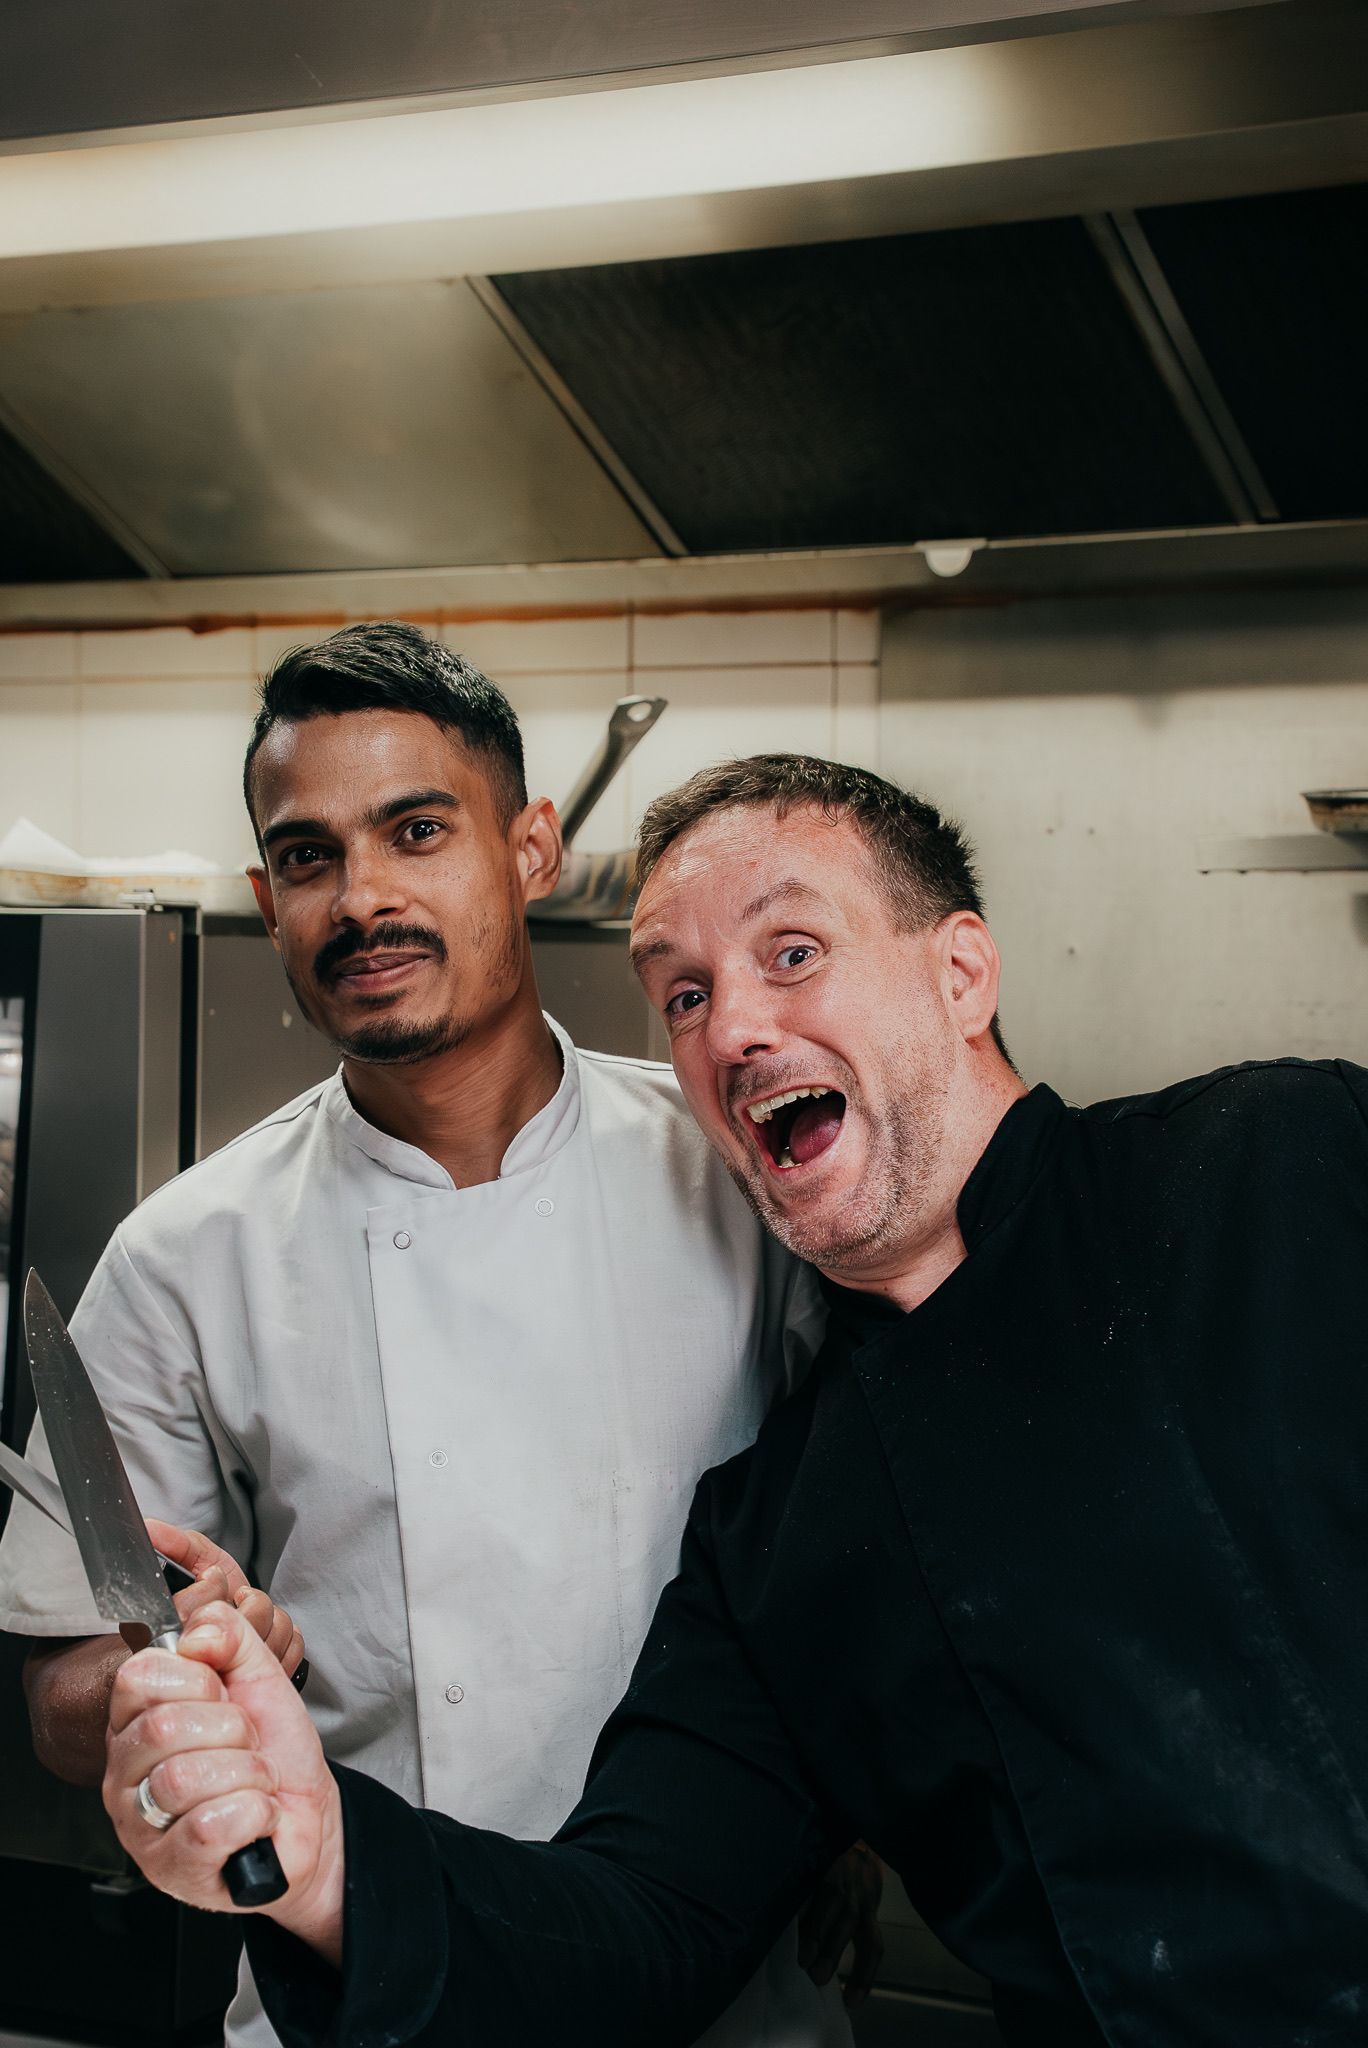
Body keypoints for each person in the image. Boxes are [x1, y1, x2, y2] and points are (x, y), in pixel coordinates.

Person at [104, 753, 1368, 2048]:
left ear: (962, 974)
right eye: (686, 995)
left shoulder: (1289, 1164)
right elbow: (638, 1927)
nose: (731, 1032)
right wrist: (328, 1862)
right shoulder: (781, 1538)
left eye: (794, 954)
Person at [0, 651, 876, 2048]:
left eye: (416, 830)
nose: (362, 900)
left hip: (729, 1992)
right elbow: (59, 1689)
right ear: (266, 901)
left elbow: (877, 1547)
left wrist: (863, 1814)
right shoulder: (183, 1258)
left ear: (531, 851)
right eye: (308, 857)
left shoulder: (743, 1172)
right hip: (367, 1984)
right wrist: (172, 1677)